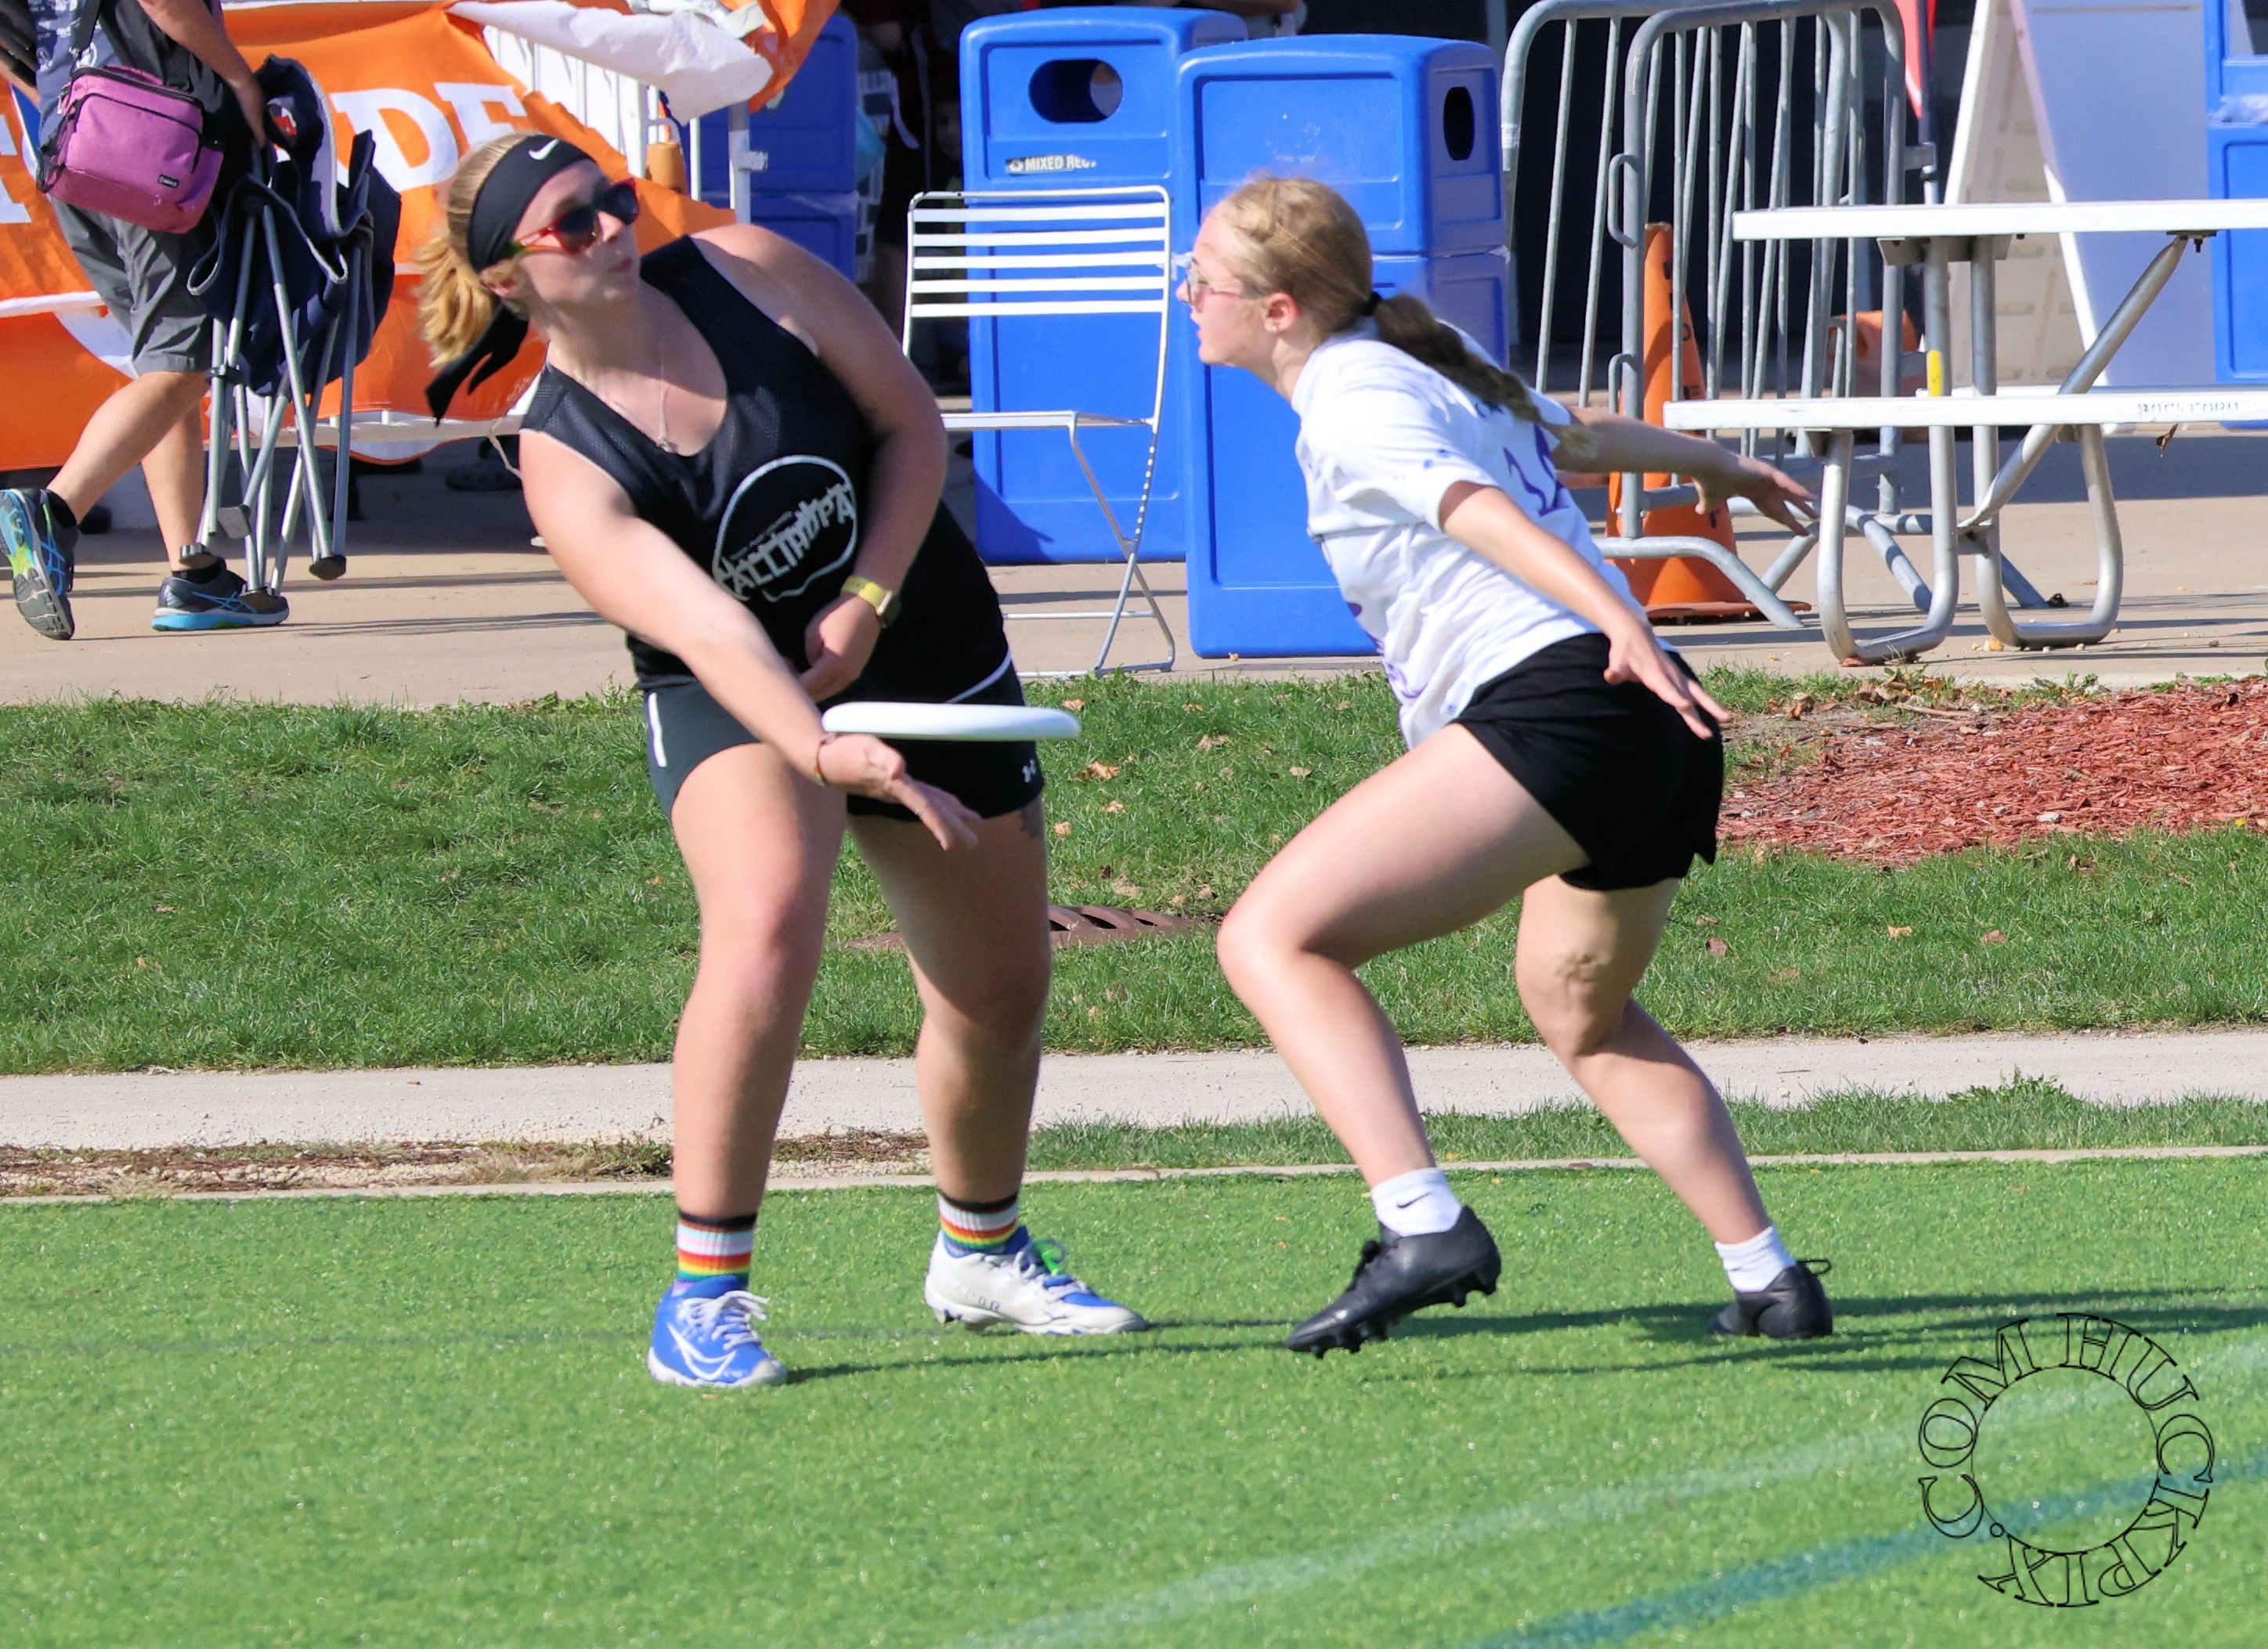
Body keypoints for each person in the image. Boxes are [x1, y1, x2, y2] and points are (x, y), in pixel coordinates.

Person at [414, 133, 1146, 1389]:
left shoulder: (746, 269)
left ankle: (981, 1250)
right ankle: (703, 1298)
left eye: (611, 200)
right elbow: (708, 632)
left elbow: (909, 423)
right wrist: (817, 743)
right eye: (572, 222)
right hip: (740, 691)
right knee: (765, 925)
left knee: (999, 987)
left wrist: (865, 601)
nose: (611, 227)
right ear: (507, 278)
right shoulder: (564, 458)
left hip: (916, 624)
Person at [1188, 176, 1835, 1355]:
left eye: (1202, 281)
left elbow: (1481, 508)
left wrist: (1620, 615)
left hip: (1569, 705)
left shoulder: (1349, 392)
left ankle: (1421, 1223)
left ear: (1277, 309)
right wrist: (1712, 463)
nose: (1187, 297)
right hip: (1651, 725)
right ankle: (1769, 1277)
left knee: (1270, 940)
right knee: (1582, 1012)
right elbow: (1573, 440)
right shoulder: (1416, 351)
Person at [3, 0, 284, 638]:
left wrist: (65, 97)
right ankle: (54, 510)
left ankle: (192, 574)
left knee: (163, 363)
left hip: (78, 136)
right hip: (158, 137)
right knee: (185, 361)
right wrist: (240, 80)